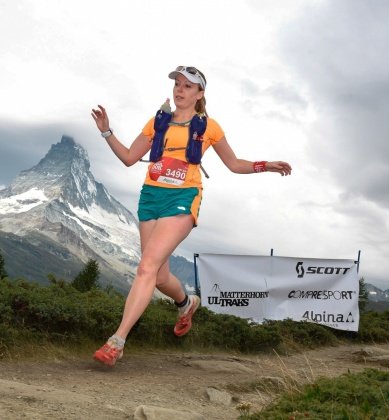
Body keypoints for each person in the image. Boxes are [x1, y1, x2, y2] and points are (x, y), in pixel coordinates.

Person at [90, 66, 291, 367]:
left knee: (145, 267)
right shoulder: (157, 122)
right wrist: (107, 131)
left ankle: (117, 342)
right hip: (150, 197)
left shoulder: (209, 127)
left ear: (200, 94)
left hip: (184, 198)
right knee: (157, 276)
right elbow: (130, 158)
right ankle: (187, 303)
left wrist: (266, 165)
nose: (180, 90)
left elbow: (234, 164)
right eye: (177, 84)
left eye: (188, 86)